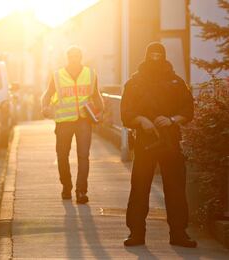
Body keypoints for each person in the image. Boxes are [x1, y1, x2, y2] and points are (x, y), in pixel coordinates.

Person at [121, 42, 197, 248]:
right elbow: (126, 113)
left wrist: (172, 119)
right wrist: (141, 120)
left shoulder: (176, 82)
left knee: (175, 190)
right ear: (146, 56)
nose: (155, 58)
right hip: (145, 142)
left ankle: (179, 234)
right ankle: (136, 234)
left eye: (158, 55)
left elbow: (188, 110)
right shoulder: (134, 83)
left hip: (170, 141)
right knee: (139, 188)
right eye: (152, 55)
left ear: (163, 56)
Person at [41, 46, 104, 204]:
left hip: (84, 121)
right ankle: (66, 187)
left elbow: (96, 95)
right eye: (72, 56)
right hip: (63, 122)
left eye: (77, 56)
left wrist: (101, 111)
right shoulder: (57, 75)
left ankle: (81, 191)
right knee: (62, 156)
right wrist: (45, 107)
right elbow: (47, 94)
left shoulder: (90, 74)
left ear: (81, 57)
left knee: (83, 156)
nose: (74, 59)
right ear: (67, 58)